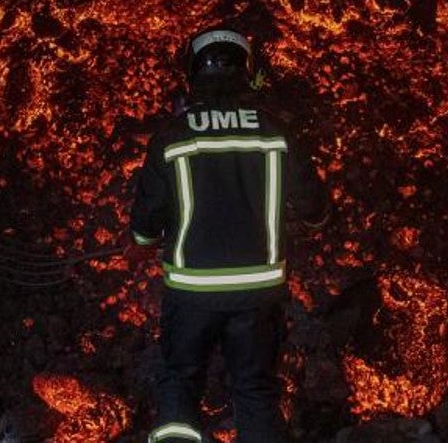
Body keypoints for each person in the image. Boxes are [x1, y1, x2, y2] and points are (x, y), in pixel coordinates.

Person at [128, 26, 327, 443]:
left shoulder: (173, 134)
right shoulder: (276, 130)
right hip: (258, 293)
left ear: (193, 74)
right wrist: (311, 224)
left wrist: (146, 241)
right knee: (255, 389)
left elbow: (146, 220)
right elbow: (313, 207)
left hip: (191, 291)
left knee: (180, 380)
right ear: (247, 72)